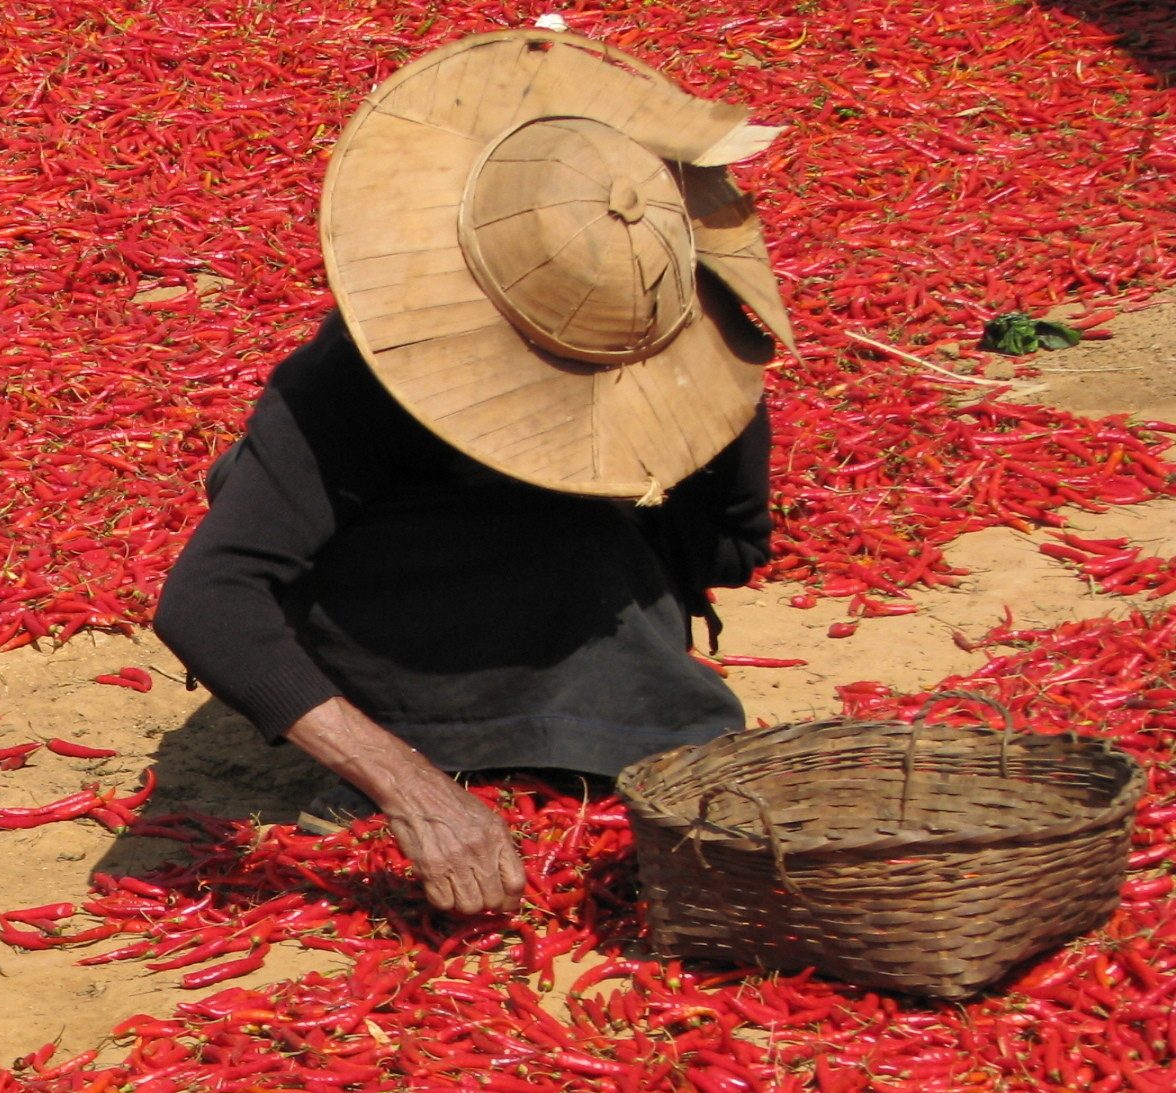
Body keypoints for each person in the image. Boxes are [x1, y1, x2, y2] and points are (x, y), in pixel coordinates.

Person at [155, 27, 799, 918]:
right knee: (272, 494)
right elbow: (728, 543)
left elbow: (725, 537)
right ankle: (513, 719)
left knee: (264, 489)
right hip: (550, 671)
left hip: (505, 650)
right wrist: (413, 787)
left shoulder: (661, 340)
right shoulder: (357, 380)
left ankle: (495, 719)